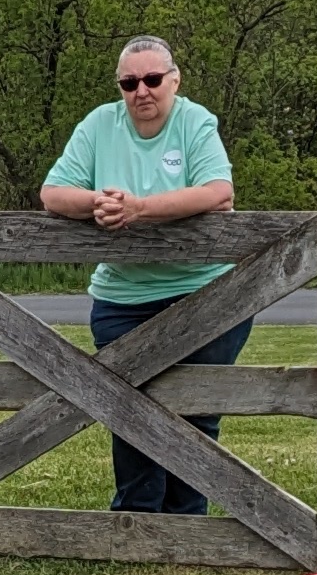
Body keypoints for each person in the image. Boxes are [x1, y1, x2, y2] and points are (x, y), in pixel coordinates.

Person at [39, 33, 247, 515]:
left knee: (196, 411)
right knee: (128, 413)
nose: (142, 91)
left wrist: (141, 210)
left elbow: (219, 191)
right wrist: (97, 203)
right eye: (129, 83)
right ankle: (135, 525)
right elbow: (52, 193)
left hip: (206, 294)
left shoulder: (195, 122)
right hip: (121, 300)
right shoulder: (99, 125)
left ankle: (188, 525)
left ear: (174, 80)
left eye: (153, 79)